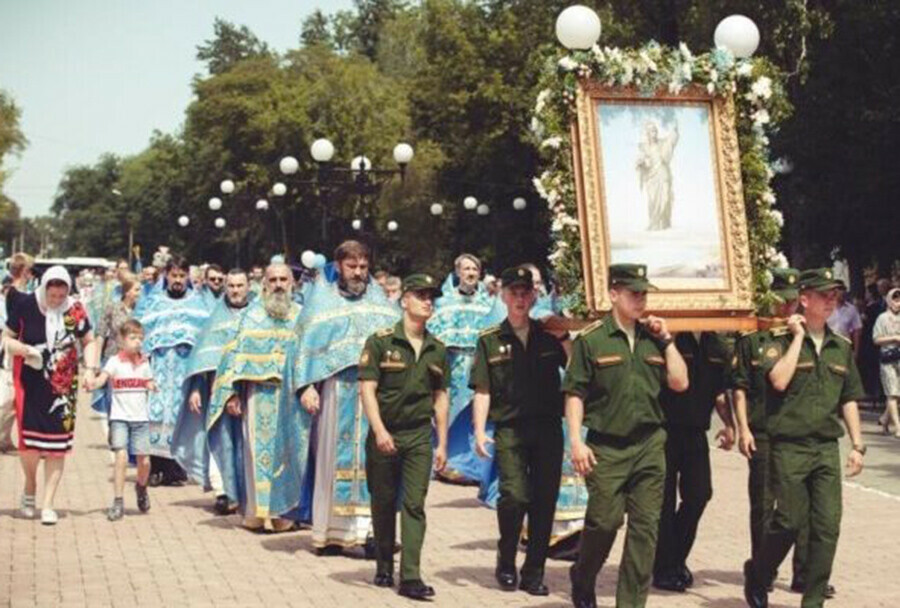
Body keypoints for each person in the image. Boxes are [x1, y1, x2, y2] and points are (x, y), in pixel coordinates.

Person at [563, 263, 688, 608]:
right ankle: (583, 576)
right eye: (633, 293)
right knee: (604, 522)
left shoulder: (654, 338)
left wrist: (668, 341)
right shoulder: (592, 340)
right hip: (607, 447)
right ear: (613, 294)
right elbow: (575, 393)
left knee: (645, 531)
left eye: (644, 293)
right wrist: (576, 440)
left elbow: (680, 382)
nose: (640, 299)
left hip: (650, 445)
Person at [744, 268, 866, 608]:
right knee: (789, 520)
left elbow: (849, 398)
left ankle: (813, 600)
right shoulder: (778, 341)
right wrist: (797, 338)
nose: (832, 301)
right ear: (805, 299)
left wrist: (857, 445)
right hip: (789, 447)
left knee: (827, 526)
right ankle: (759, 571)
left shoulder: (839, 347)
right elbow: (779, 381)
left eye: (834, 296)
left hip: (826, 447)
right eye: (824, 295)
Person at [293, 240, 399, 555]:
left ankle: (371, 536)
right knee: (330, 461)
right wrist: (306, 386)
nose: (358, 273)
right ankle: (328, 535)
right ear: (338, 266)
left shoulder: (382, 306)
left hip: (374, 395)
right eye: (352, 266)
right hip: (335, 393)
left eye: (363, 267)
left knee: (374, 463)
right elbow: (301, 349)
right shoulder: (320, 303)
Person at [470, 265, 569, 596]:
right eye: (514, 292)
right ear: (503, 295)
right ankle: (506, 557)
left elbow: (576, 367)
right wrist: (480, 431)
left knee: (544, 500)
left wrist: (565, 336)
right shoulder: (490, 340)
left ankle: (534, 571)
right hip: (510, 428)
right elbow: (482, 389)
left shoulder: (548, 336)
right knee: (514, 496)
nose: (520, 298)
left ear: (534, 295)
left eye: (526, 292)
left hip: (547, 428)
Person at [359, 273, 449, 599]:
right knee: (383, 503)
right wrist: (379, 430)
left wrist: (442, 443)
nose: (428, 301)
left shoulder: (437, 348)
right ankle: (384, 563)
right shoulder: (381, 341)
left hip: (418, 436)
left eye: (431, 297)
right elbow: (367, 390)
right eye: (421, 295)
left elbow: (441, 396)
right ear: (404, 300)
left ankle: (410, 576)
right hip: (385, 435)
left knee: (414, 505)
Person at [732, 268, 818, 594]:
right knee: (764, 506)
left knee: (804, 505)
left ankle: (804, 573)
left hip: (798, 432)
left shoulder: (809, 337)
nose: (788, 308)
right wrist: (742, 429)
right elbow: (739, 388)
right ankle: (762, 570)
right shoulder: (752, 338)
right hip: (764, 430)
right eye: (783, 301)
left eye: (794, 301)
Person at [208, 263, 309, 531]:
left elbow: (313, 358)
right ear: (263, 284)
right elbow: (230, 358)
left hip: (293, 398)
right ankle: (258, 511)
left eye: (283, 279)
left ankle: (287, 512)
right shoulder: (250, 317)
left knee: (292, 454)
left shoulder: (303, 317)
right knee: (257, 454)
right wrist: (230, 395)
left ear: (292, 283)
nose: (278, 284)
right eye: (272, 279)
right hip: (258, 396)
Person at [3, 265, 97, 525]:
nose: (56, 300)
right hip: (30, 383)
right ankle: (30, 486)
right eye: (51, 295)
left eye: (60, 295)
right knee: (30, 444)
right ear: (44, 288)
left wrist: (90, 369)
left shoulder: (75, 309)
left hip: (63, 386)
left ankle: (48, 504)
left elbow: (89, 340)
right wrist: (25, 349)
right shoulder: (25, 304)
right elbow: (6, 339)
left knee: (57, 446)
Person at [652, 331, 736, 592]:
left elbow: (720, 392)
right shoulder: (670, 337)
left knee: (699, 494)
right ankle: (665, 568)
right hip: (663, 430)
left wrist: (729, 424)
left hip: (696, 431)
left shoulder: (716, 344)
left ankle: (674, 558)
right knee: (662, 503)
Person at [172, 268, 251, 514]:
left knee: (247, 442)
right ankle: (223, 492)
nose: (235, 290)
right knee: (221, 439)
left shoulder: (257, 315)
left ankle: (248, 493)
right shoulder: (216, 316)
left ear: (248, 286)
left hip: (251, 389)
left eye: (240, 285)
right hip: (218, 390)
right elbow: (202, 354)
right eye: (231, 286)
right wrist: (195, 387)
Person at [136, 255, 210, 486]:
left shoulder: (198, 303)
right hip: (158, 369)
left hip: (184, 371)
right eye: (173, 275)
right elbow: (141, 331)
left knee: (181, 414)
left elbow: (204, 339)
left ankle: (177, 468)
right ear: (166, 276)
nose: (177, 280)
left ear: (188, 277)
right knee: (155, 415)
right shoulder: (154, 302)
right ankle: (156, 468)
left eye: (181, 276)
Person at [427, 253, 495, 484]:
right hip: (454, 365)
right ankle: (448, 463)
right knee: (451, 414)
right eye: (466, 269)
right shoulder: (445, 302)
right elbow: (435, 336)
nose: (470, 273)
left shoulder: (488, 303)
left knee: (478, 416)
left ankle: (474, 466)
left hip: (480, 363)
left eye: (474, 269)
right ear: (457, 272)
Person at [89, 319, 156, 521]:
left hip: (140, 419)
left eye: (140, 338)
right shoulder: (114, 362)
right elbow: (103, 378)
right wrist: (94, 382)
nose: (137, 342)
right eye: (132, 338)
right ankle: (118, 501)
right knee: (121, 457)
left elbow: (149, 379)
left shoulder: (144, 362)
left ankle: (141, 487)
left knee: (144, 461)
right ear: (121, 340)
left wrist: (152, 385)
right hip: (119, 417)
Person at [636, 121, 679, 231]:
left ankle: (663, 224)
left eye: (655, 130)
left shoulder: (662, 144)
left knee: (665, 198)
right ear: (647, 134)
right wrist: (641, 163)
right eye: (651, 131)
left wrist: (674, 130)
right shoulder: (644, 147)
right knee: (653, 201)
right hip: (651, 178)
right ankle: (654, 223)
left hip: (663, 175)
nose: (654, 133)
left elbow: (671, 141)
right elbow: (641, 161)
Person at [873, 287, 900, 436]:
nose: (898, 303)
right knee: (892, 393)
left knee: (898, 394)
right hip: (888, 358)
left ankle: (884, 418)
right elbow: (876, 339)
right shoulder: (882, 318)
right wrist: (894, 338)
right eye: (895, 299)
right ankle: (898, 426)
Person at [827, 283, 862, 357]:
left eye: (843, 290)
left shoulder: (851, 309)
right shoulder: (826, 308)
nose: (842, 293)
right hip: (828, 346)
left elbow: (857, 331)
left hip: (845, 346)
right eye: (839, 290)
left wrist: (856, 351)